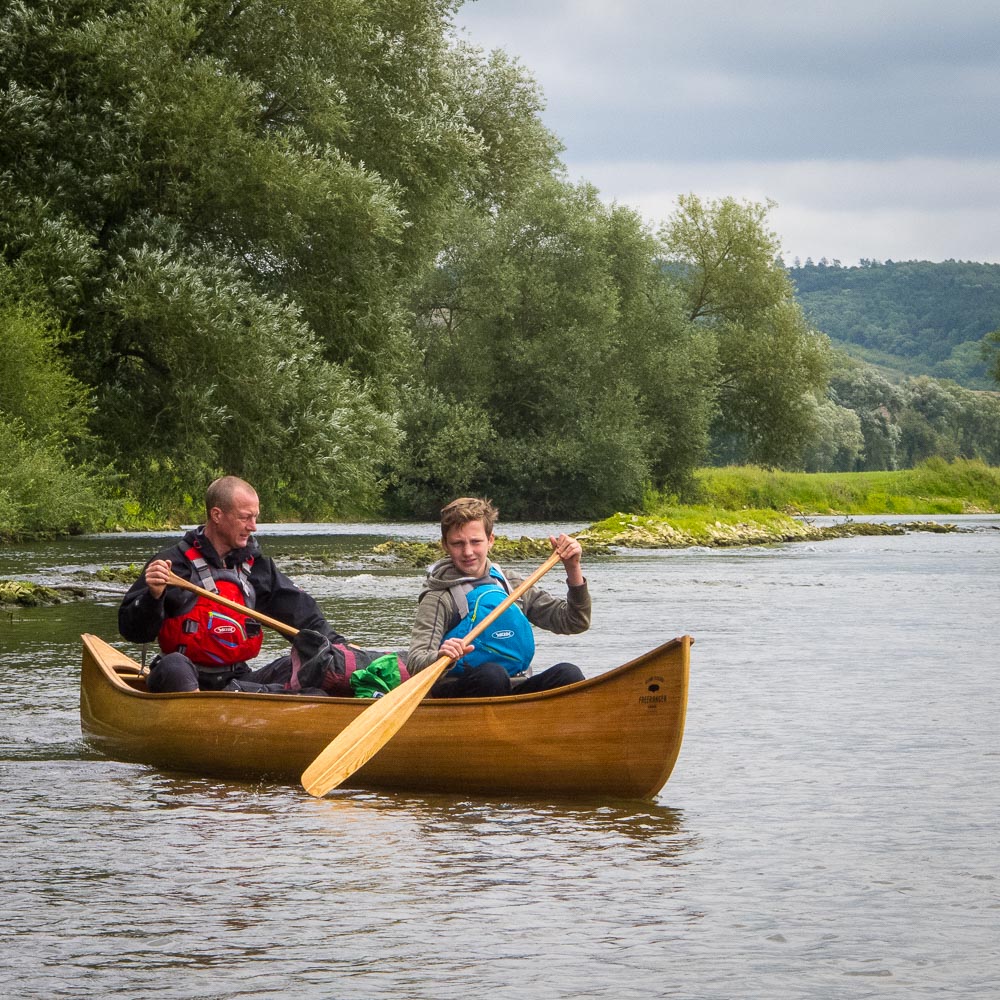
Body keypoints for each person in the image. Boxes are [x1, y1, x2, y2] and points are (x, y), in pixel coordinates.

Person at [119, 475, 403, 695]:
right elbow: (133, 631)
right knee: (174, 665)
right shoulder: (172, 564)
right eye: (245, 517)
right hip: (183, 674)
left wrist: (339, 647)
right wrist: (153, 597)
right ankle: (198, 718)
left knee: (309, 667)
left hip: (238, 679)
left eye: (255, 517)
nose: (253, 526)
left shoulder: (257, 568)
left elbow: (302, 615)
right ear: (217, 515)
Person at [407, 496, 591, 698]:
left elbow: (574, 622)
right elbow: (416, 662)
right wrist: (441, 657)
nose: (468, 552)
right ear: (445, 545)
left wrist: (573, 568)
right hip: (460, 689)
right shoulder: (439, 596)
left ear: (490, 540)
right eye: (458, 543)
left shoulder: (511, 583)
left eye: (476, 542)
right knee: (492, 674)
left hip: (514, 685)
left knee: (568, 674)